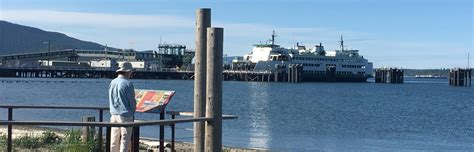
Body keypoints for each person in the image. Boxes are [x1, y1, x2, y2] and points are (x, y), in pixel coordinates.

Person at [109, 61, 136, 152]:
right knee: (125, 139)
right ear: (128, 72)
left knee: (114, 138)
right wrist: (133, 110)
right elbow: (131, 101)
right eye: (131, 72)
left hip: (113, 114)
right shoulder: (127, 83)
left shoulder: (112, 82)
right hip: (125, 114)